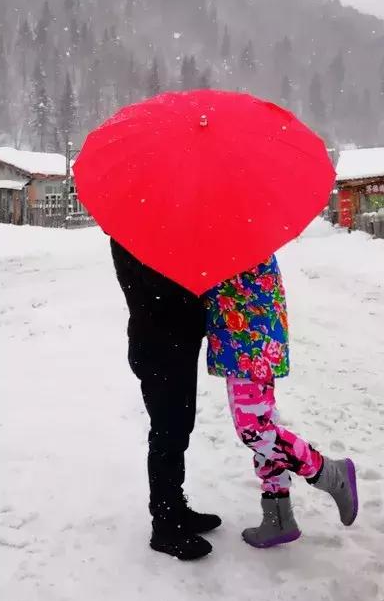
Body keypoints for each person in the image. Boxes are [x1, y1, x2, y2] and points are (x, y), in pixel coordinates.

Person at [204, 253, 358, 547]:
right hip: (242, 341)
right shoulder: (236, 234)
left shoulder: (236, 239)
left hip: (250, 342)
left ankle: (330, 473)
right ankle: (278, 517)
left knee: (255, 430)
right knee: (263, 426)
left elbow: (233, 286)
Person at [110, 238, 221, 560]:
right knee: (168, 433)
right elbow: (166, 294)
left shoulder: (153, 233)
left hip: (172, 344)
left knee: (178, 429)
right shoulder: (136, 237)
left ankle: (174, 506)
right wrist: (200, 283)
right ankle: (165, 524)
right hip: (160, 346)